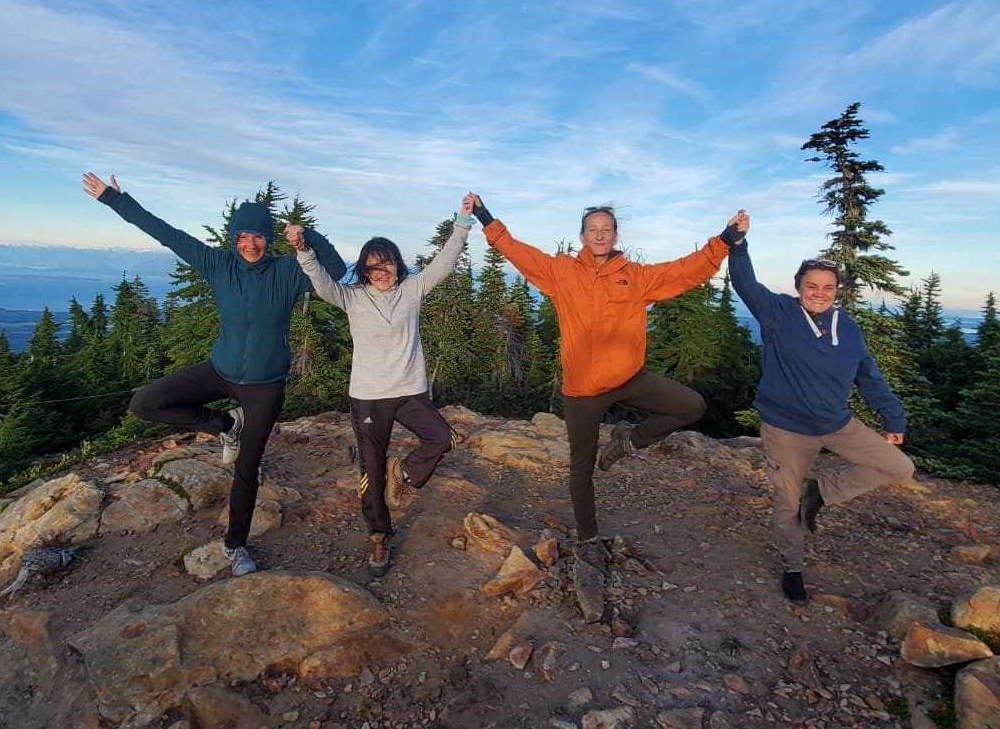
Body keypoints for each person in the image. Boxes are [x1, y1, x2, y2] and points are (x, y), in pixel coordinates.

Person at [82, 172, 346, 576]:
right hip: (220, 370)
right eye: (243, 237)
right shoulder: (218, 263)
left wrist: (307, 236)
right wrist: (116, 201)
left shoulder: (289, 272)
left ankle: (235, 545)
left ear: (268, 240)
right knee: (144, 402)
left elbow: (337, 268)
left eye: (257, 237)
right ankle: (226, 423)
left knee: (247, 467)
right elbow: (167, 234)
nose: (250, 244)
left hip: (265, 383)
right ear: (233, 239)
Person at [467, 195, 739, 562]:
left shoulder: (636, 277)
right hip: (581, 391)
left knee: (691, 405)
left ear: (614, 235)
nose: (599, 235)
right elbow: (516, 251)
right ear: (582, 237)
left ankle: (629, 439)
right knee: (581, 469)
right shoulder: (561, 272)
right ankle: (590, 539)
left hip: (627, 378)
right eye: (592, 230)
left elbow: (683, 271)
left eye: (606, 229)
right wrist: (485, 216)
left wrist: (723, 240)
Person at [725, 211, 915, 603]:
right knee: (787, 504)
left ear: (836, 291)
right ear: (798, 287)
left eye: (827, 287)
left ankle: (823, 492)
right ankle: (793, 567)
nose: (819, 292)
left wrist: (892, 416)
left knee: (899, 466)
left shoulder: (847, 327)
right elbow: (745, 283)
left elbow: (868, 376)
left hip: (836, 424)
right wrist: (738, 243)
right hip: (787, 430)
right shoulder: (777, 313)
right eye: (811, 285)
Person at [286, 197, 474, 577]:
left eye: (386, 261)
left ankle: (402, 474)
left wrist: (463, 223)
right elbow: (322, 284)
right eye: (372, 265)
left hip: (409, 391)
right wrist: (303, 251)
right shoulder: (351, 297)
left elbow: (445, 262)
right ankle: (378, 535)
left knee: (442, 438)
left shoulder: (413, 290)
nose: (380, 270)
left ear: (396, 263)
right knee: (370, 472)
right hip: (368, 397)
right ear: (364, 270)